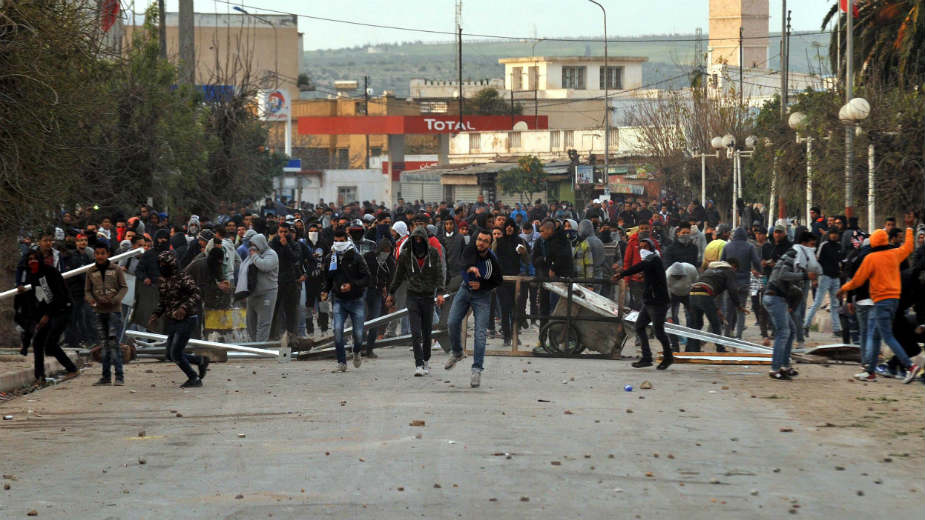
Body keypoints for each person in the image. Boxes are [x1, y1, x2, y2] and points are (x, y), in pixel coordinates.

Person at [839, 223, 920, 383]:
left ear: (874, 242)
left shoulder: (871, 258)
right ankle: (870, 372)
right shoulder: (894, 254)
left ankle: (910, 366)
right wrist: (910, 229)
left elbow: (858, 280)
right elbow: (909, 247)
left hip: (881, 301)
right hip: (894, 300)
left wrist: (844, 289)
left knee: (887, 336)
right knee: (875, 336)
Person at [445, 229, 503, 388]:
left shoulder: (492, 260)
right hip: (465, 290)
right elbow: (463, 264)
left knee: (480, 334)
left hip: (482, 296)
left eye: (485, 241)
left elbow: (498, 280)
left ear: (489, 244)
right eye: (479, 239)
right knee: (452, 322)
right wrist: (471, 269)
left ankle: (477, 369)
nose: (481, 243)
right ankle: (457, 352)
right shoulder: (470, 249)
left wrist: (482, 284)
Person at [388, 227, 445, 376]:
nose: (418, 242)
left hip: (427, 297)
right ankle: (418, 364)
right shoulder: (405, 255)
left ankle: (426, 360)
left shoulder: (432, 254)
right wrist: (391, 292)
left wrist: (439, 292)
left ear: (425, 241)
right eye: (415, 239)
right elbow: (398, 275)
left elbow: (439, 273)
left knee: (427, 333)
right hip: (412, 296)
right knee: (415, 332)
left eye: (421, 239)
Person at [612, 238, 673, 369]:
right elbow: (648, 271)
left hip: (658, 302)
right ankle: (646, 358)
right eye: (640, 247)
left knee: (659, 331)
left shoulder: (654, 259)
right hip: (649, 301)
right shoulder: (651, 261)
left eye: (645, 247)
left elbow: (640, 266)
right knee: (640, 326)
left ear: (651, 248)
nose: (642, 250)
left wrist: (622, 274)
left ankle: (668, 358)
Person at [149, 251, 207, 387]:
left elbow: (196, 293)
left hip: (188, 318)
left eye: (164, 264)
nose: (162, 267)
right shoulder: (164, 283)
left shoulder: (183, 278)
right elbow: (163, 302)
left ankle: (194, 378)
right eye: (160, 264)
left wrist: (184, 308)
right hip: (173, 320)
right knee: (170, 354)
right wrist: (156, 315)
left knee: (175, 352)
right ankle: (199, 361)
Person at [23, 250, 80, 385]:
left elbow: (58, 295)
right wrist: (39, 318)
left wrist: (47, 315)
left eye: (35, 259)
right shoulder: (33, 276)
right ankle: (39, 377)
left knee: (50, 345)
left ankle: (72, 369)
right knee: (38, 342)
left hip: (62, 309)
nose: (32, 262)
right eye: (30, 259)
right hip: (50, 312)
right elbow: (40, 298)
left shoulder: (50, 272)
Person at [321, 229, 371, 372]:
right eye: (336, 241)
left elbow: (367, 278)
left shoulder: (356, 257)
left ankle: (356, 351)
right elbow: (328, 279)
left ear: (347, 240)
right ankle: (341, 362)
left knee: (359, 334)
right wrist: (325, 290)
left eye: (341, 240)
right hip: (339, 300)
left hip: (356, 300)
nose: (339, 243)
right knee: (337, 330)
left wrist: (352, 285)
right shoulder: (331, 258)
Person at [85, 244, 128, 386]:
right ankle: (106, 377)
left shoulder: (116, 269)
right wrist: (92, 301)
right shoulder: (91, 271)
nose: (100, 256)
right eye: (97, 253)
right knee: (104, 345)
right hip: (99, 312)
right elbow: (87, 290)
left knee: (114, 345)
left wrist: (115, 300)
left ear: (107, 254)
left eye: (102, 253)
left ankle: (119, 376)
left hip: (114, 312)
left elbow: (123, 287)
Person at [686, 259, 743, 352]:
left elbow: (711, 290)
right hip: (704, 294)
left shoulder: (709, 270)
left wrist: (716, 308)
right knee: (716, 323)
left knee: (696, 323)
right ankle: (720, 349)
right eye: (735, 269)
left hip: (692, 293)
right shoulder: (729, 271)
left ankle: (693, 349)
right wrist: (738, 305)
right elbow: (732, 290)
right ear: (733, 266)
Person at [721, 227, 762, 339]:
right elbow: (756, 262)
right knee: (741, 310)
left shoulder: (727, 246)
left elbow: (721, 262)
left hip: (729, 283)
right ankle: (739, 336)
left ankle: (726, 335)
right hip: (743, 282)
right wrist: (760, 271)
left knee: (728, 311)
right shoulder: (749, 247)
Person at [803, 227, 843, 337]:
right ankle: (805, 326)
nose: (834, 236)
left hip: (835, 278)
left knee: (834, 304)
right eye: (832, 233)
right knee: (817, 302)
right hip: (824, 276)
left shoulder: (839, 247)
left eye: (836, 233)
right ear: (829, 234)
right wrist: (815, 278)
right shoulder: (824, 246)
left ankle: (836, 329)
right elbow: (816, 261)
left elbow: (840, 262)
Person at [245, 234, 279, 342]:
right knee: (250, 323)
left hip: (267, 294)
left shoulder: (271, 254)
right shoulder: (252, 255)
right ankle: (254, 346)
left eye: (254, 245)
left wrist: (254, 256)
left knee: (263, 323)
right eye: (251, 245)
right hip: (252, 294)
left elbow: (265, 266)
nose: (252, 247)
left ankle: (261, 347)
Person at [665, 261, 698, 351]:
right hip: (673, 295)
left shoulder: (691, 270)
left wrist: (695, 304)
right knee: (671, 321)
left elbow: (696, 285)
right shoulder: (666, 276)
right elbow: (666, 300)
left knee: (693, 318)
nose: (678, 279)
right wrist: (669, 316)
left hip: (688, 294)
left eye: (680, 277)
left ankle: (690, 346)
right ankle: (675, 346)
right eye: (676, 277)